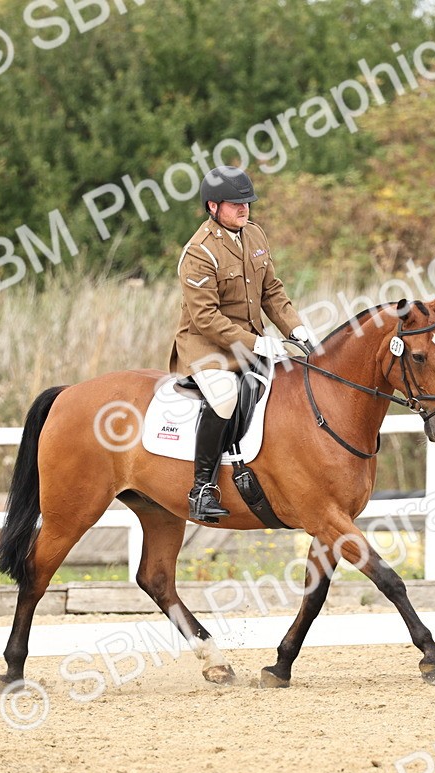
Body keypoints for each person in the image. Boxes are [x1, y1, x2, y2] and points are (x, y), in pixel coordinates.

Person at [168, 166, 311, 523]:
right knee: (225, 396)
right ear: (213, 207)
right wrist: (257, 344)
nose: (244, 209)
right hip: (207, 347)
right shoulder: (199, 253)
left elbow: (272, 291)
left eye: (247, 202)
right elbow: (206, 319)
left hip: (252, 341)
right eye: (235, 204)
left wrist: (297, 331)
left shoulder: (255, 235)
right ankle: (202, 488)